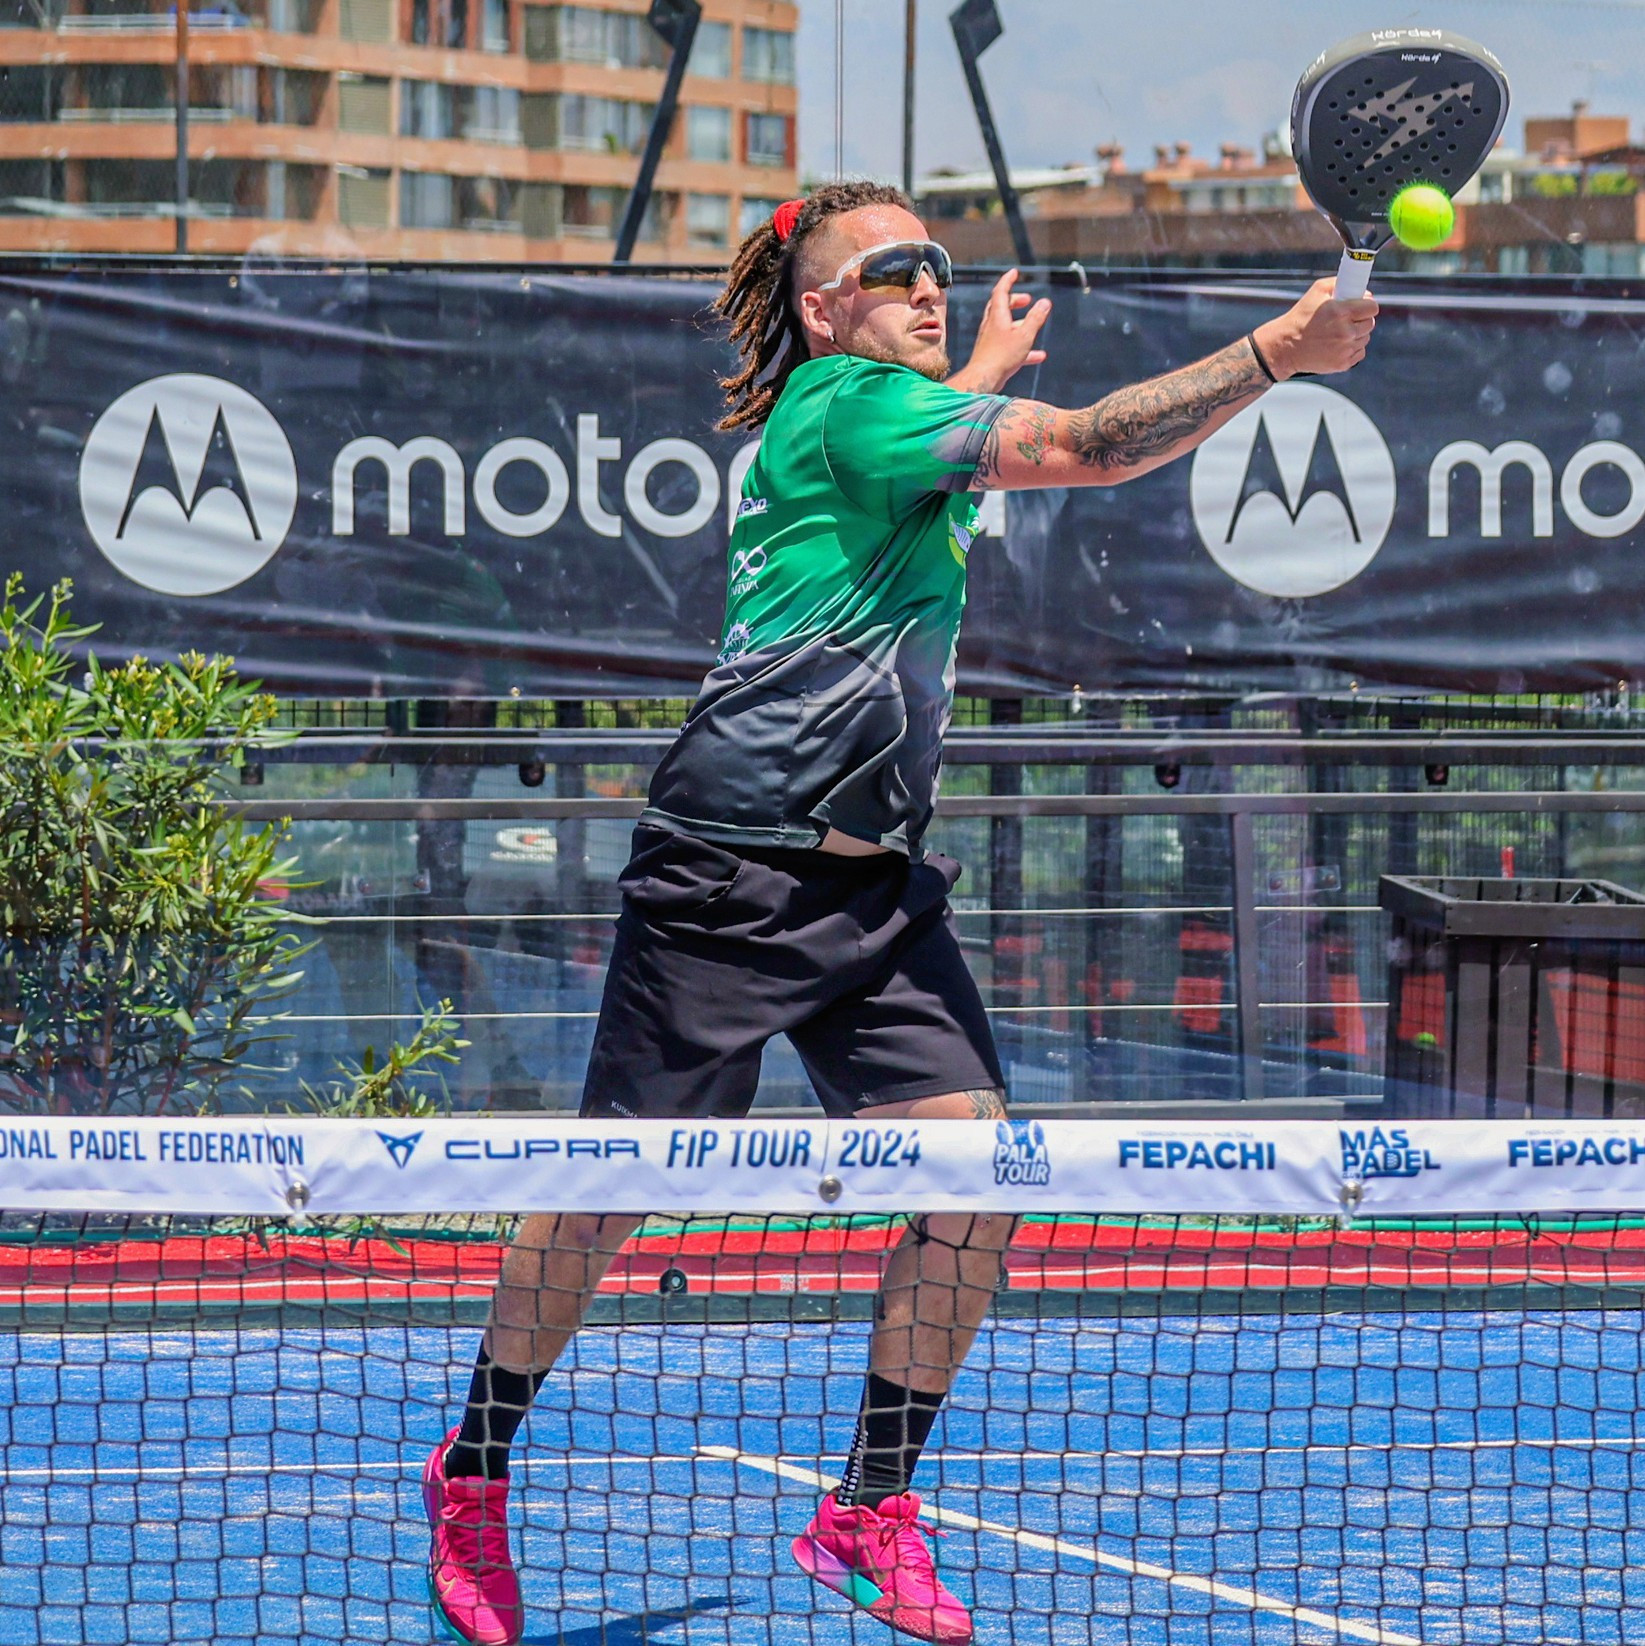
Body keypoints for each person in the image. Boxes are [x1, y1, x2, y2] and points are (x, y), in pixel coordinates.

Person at [421, 181, 1376, 1646]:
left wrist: (976, 370)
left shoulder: (892, 422)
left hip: (872, 888)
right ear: (823, 311)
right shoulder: (848, 408)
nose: (931, 284)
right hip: (725, 877)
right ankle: (474, 1468)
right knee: (608, 1195)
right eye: (894, 271)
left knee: (971, 1174)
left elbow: (960, 451)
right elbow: (1087, 447)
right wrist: (1278, 352)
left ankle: (865, 1508)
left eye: (939, 262)